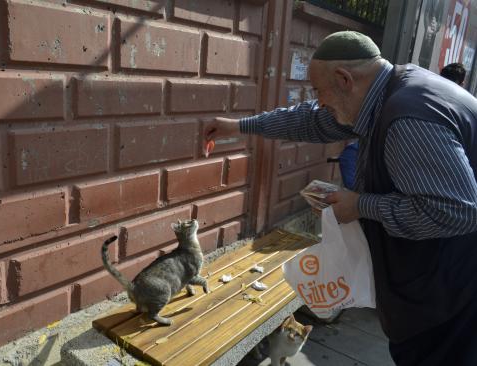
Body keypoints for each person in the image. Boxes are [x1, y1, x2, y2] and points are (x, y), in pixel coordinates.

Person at [204, 31, 477, 366]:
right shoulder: (382, 93)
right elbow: (311, 120)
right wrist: (239, 126)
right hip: (443, 284)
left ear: (344, 79)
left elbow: (453, 211)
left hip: (454, 298)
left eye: (319, 91)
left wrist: (359, 205)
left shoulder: (407, 117)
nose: (319, 102)